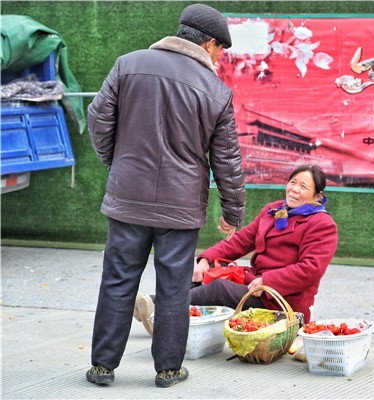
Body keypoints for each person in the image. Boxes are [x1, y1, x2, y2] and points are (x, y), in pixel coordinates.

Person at [86, 3, 245, 388]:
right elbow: (226, 158)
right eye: (221, 50)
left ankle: (103, 367)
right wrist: (233, 212)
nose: (220, 59)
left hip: (129, 198)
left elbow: (97, 119)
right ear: (208, 43)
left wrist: (117, 163)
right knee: (173, 287)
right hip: (181, 206)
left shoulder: (128, 64)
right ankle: (169, 369)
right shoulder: (216, 92)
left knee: (117, 279)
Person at [136, 164, 338, 333]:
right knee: (200, 278)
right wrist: (205, 260)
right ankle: (162, 321)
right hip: (254, 284)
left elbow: (310, 269)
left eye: (303, 186)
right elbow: (239, 241)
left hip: (280, 300)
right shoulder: (273, 210)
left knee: (219, 289)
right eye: (292, 182)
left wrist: (267, 281)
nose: (294, 189)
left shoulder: (321, 224)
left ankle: (155, 306)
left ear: (317, 196)